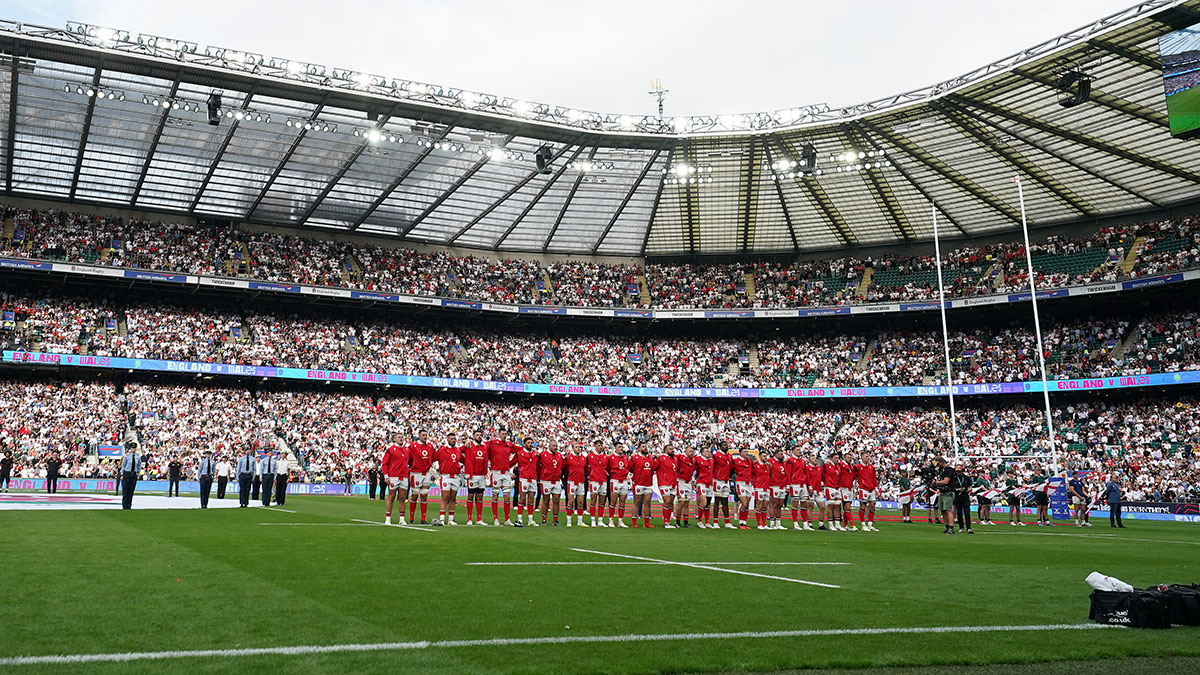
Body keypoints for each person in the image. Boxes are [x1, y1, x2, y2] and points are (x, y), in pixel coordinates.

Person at [486, 428, 516, 526]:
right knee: (495, 496)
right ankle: (496, 518)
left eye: (505, 434)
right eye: (502, 434)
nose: (504, 435)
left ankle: (507, 519)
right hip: (496, 472)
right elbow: (483, 448)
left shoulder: (509, 445)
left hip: (506, 473)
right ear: (498, 434)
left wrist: (510, 464)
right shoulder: (492, 443)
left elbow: (520, 451)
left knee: (507, 497)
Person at [433, 432, 462, 526]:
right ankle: (441, 519)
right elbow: (433, 458)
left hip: (456, 477)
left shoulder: (458, 450)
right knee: (445, 497)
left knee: (453, 498)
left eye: (454, 439)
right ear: (447, 439)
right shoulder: (442, 450)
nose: (453, 440)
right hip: (446, 476)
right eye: (451, 439)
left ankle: (451, 519)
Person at [382, 433, 411, 526]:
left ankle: (402, 519)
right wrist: (386, 476)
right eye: (399, 437)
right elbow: (384, 463)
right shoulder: (390, 450)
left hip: (404, 477)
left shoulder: (407, 450)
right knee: (391, 497)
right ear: (394, 439)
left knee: (402, 498)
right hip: (393, 477)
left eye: (402, 437)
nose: (401, 438)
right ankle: (387, 519)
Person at [407, 430, 436, 524]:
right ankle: (411, 518)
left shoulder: (430, 446)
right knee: (414, 495)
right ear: (419, 436)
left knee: (424, 495)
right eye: (423, 435)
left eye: (426, 435)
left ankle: (423, 519)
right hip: (416, 473)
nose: (425, 437)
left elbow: (434, 457)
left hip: (427, 473)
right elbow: (407, 457)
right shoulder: (413, 446)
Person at [462, 430, 489, 526]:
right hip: (472, 475)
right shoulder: (469, 445)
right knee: (470, 496)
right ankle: (469, 519)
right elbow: (460, 450)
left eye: (480, 435)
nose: (479, 436)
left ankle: (479, 519)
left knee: (480, 496)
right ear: (473, 436)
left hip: (482, 475)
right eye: (477, 435)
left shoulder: (485, 446)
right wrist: (465, 444)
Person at [536, 439, 564, 526]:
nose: (556, 448)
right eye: (554, 446)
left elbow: (562, 466)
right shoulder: (543, 455)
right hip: (546, 480)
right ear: (549, 446)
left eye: (556, 446)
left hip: (556, 481)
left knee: (556, 500)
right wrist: (541, 474)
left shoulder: (559, 455)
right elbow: (537, 465)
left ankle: (555, 520)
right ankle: (544, 519)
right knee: (546, 500)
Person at [515, 436, 539, 527]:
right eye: (528, 443)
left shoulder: (535, 454)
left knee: (531, 499)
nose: (530, 444)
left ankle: (530, 519)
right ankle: (519, 519)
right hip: (524, 478)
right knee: (522, 498)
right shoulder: (520, 453)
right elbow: (513, 462)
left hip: (533, 478)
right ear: (524, 444)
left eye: (531, 443)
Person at [586, 439, 610, 527]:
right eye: (599, 445)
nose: (600, 447)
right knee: (593, 500)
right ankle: (593, 520)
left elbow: (607, 468)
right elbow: (586, 467)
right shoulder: (590, 456)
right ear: (595, 446)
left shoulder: (605, 457)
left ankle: (600, 520)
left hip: (603, 480)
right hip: (594, 480)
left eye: (601, 445)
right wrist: (591, 474)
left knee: (602, 501)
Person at [630, 446, 656, 528]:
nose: (645, 448)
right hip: (638, 483)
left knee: (647, 503)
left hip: (648, 483)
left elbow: (652, 469)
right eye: (643, 447)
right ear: (639, 449)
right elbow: (630, 468)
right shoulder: (635, 458)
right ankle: (634, 522)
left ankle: (646, 522)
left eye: (646, 447)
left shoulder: (651, 458)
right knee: (636, 502)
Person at [606, 446, 631, 528]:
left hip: (624, 481)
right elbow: (607, 468)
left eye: (622, 447)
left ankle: (620, 521)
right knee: (613, 501)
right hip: (615, 480)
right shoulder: (610, 457)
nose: (621, 448)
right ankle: (611, 520)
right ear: (615, 448)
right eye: (619, 447)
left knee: (622, 502)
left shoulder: (625, 457)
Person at [564, 442, 588, 527]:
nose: (579, 448)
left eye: (579, 447)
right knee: (570, 501)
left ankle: (580, 521)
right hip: (572, 481)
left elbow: (586, 469)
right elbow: (565, 468)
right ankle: (569, 521)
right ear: (572, 448)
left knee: (580, 502)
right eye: (576, 447)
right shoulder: (568, 458)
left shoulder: (583, 458)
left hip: (581, 482)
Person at [932, 456, 958, 535]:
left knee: (947, 510)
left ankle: (951, 527)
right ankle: (947, 526)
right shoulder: (941, 470)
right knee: (943, 510)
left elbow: (946, 481)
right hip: (942, 492)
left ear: (942, 463)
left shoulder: (948, 470)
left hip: (948, 491)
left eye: (938, 463)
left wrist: (935, 482)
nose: (937, 465)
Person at [785, 447, 809, 531]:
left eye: (800, 450)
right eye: (797, 450)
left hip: (803, 484)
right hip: (795, 484)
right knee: (795, 504)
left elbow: (805, 472)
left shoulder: (803, 461)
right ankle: (795, 523)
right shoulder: (790, 460)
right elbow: (788, 473)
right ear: (793, 451)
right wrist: (788, 485)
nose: (799, 451)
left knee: (804, 504)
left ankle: (805, 524)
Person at [711, 442, 734, 529]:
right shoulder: (716, 455)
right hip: (718, 480)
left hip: (726, 480)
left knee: (725, 501)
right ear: (720, 447)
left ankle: (727, 522)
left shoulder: (729, 456)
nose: (726, 446)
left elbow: (731, 467)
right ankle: (715, 522)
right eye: (724, 445)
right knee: (717, 501)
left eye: (727, 445)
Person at [653, 445, 676, 528]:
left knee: (670, 502)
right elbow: (653, 467)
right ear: (666, 451)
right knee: (667, 501)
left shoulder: (675, 459)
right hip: (664, 483)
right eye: (670, 449)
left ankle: (668, 520)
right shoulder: (661, 458)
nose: (672, 450)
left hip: (673, 483)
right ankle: (666, 522)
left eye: (673, 449)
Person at [731, 448, 754, 529]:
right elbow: (731, 469)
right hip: (740, 483)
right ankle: (740, 522)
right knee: (744, 503)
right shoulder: (736, 460)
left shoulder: (749, 461)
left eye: (747, 451)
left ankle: (744, 522)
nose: (746, 453)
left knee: (747, 504)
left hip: (749, 484)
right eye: (744, 451)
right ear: (740, 453)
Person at [855, 455, 879, 532]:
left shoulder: (871, 467)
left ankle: (870, 525)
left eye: (868, 456)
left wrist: (876, 488)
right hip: (863, 488)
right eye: (866, 456)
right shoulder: (858, 467)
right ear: (862, 458)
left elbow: (874, 478)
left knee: (872, 506)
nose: (868, 458)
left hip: (871, 488)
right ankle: (863, 525)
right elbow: (853, 476)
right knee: (862, 506)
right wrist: (856, 487)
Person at [673, 446, 695, 528]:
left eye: (692, 451)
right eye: (690, 451)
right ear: (685, 451)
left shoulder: (693, 460)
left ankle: (686, 522)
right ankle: (678, 521)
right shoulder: (680, 457)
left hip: (688, 482)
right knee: (681, 502)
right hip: (681, 482)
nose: (691, 453)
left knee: (687, 502)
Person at [693, 447, 714, 528]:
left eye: (709, 451)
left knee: (708, 504)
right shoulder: (698, 459)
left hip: (710, 484)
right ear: (702, 453)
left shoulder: (711, 460)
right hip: (701, 483)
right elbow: (692, 467)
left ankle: (707, 522)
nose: (709, 453)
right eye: (707, 451)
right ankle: (699, 521)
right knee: (703, 503)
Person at [822, 456, 843, 531]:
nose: (837, 459)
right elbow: (821, 473)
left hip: (837, 487)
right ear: (831, 458)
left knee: (838, 506)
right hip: (829, 487)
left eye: (838, 458)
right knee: (830, 506)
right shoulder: (826, 466)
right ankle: (830, 524)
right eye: (836, 458)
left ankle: (837, 524)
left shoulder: (838, 466)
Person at [120, 443, 142, 510]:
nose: (133, 449)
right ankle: (124, 506)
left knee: (131, 491)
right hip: (127, 473)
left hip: (133, 474)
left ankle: (129, 506)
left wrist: (138, 474)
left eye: (134, 448)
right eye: (132, 448)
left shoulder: (138, 457)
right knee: (125, 491)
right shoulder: (127, 456)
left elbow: (139, 467)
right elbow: (123, 466)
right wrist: (122, 474)